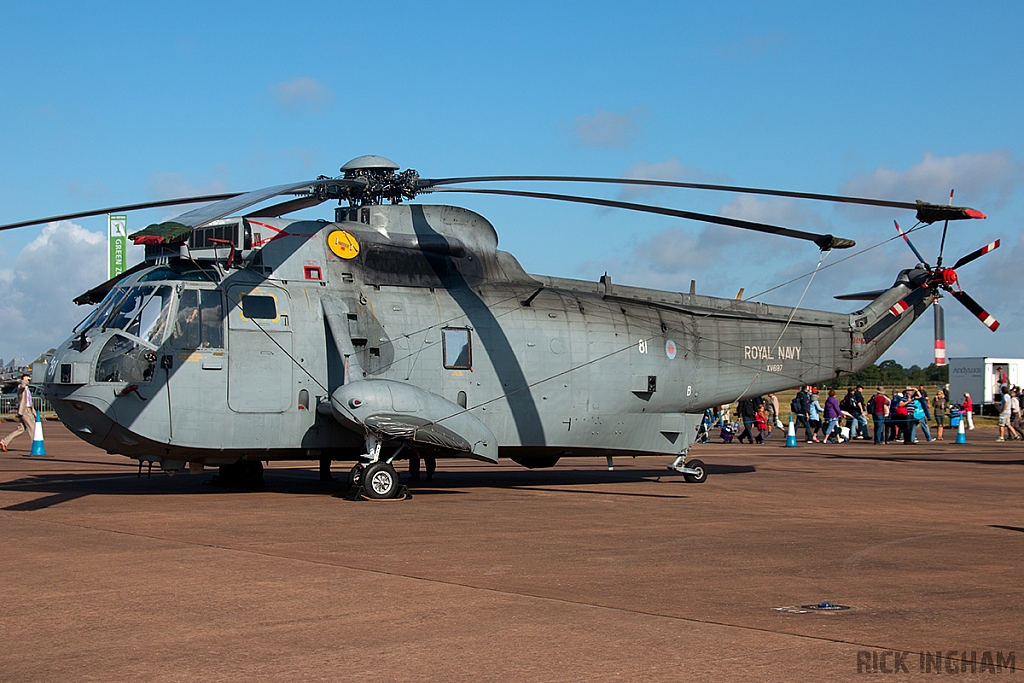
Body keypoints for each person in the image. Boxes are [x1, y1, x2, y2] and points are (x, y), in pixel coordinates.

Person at [1, 375, 36, 453]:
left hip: (29, 409)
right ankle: (36, 446)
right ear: (23, 379)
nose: (29, 379)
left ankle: (4, 442)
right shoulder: (21, 387)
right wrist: (22, 381)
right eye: (27, 377)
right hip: (25, 411)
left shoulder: (27, 388)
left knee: (20, 429)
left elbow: (29, 402)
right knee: (33, 428)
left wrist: (34, 412)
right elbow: (22, 385)